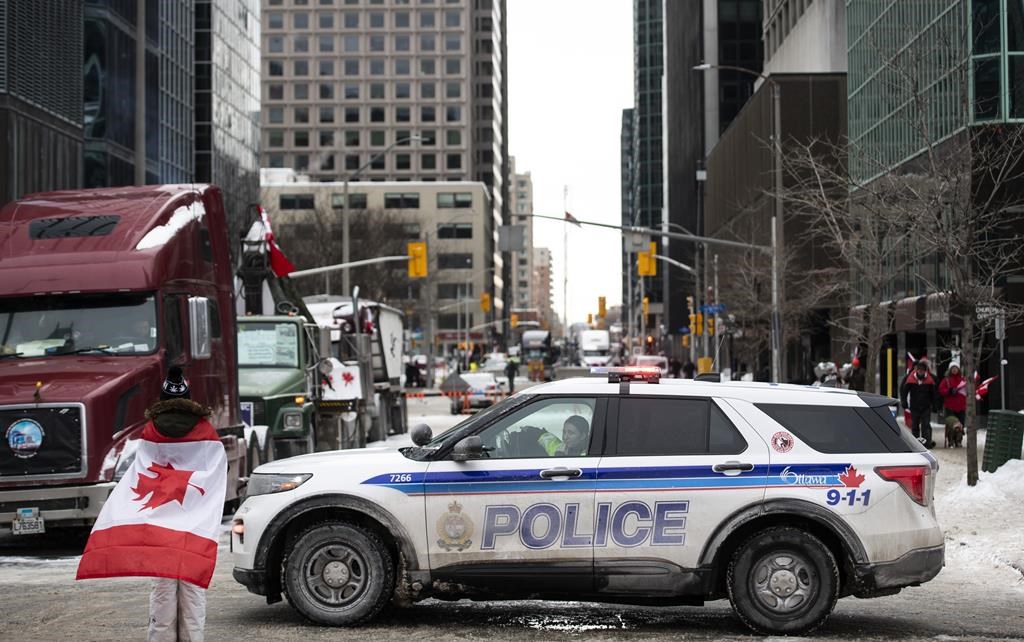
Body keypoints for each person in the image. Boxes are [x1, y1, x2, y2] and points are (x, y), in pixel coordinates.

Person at [900, 359, 939, 448]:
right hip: (914, 406)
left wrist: (935, 405)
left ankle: (927, 444)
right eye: (919, 370)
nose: (920, 372)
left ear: (925, 371)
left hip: (926, 406)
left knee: (926, 425)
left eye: (922, 370)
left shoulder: (930, 381)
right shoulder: (910, 380)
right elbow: (904, 392)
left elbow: (933, 394)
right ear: (916, 370)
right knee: (915, 426)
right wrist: (904, 401)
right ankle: (915, 444)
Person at [938, 361, 966, 426]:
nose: (954, 370)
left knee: (960, 427)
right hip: (950, 408)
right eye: (952, 368)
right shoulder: (946, 380)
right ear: (950, 370)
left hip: (961, 408)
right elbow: (941, 390)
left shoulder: (963, 380)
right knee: (951, 426)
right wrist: (950, 391)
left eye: (956, 368)